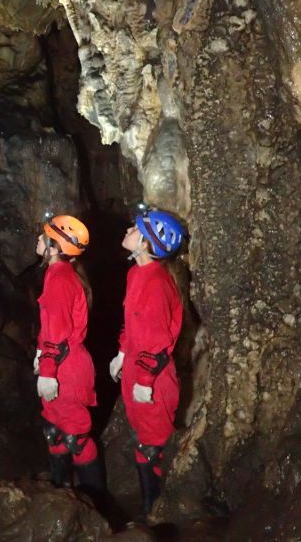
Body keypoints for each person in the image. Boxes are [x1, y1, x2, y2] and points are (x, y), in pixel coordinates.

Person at [109, 206, 184, 518]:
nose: (127, 231)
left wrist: (145, 380)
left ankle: (161, 514)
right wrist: (123, 353)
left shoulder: (157, 284)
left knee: (154, 445)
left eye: (134, 229)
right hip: (136, 371)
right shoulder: (135, 274)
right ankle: (148, 512)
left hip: (154, 379)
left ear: (146, 242)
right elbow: (132, 323)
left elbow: (157, 343)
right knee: (143, 440)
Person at [33, 214, 102, 492]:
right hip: (61, 361)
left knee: (76, 437)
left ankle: (96, 501)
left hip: (67, 369)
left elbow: (59, 333)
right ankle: (60, 494)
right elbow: (50, 327)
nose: (38, 239)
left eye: (44, 236)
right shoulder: (56, 273)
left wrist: (48, 371)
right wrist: (40, 352)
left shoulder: (60, 278)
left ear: (55, 246)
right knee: (55, 432)